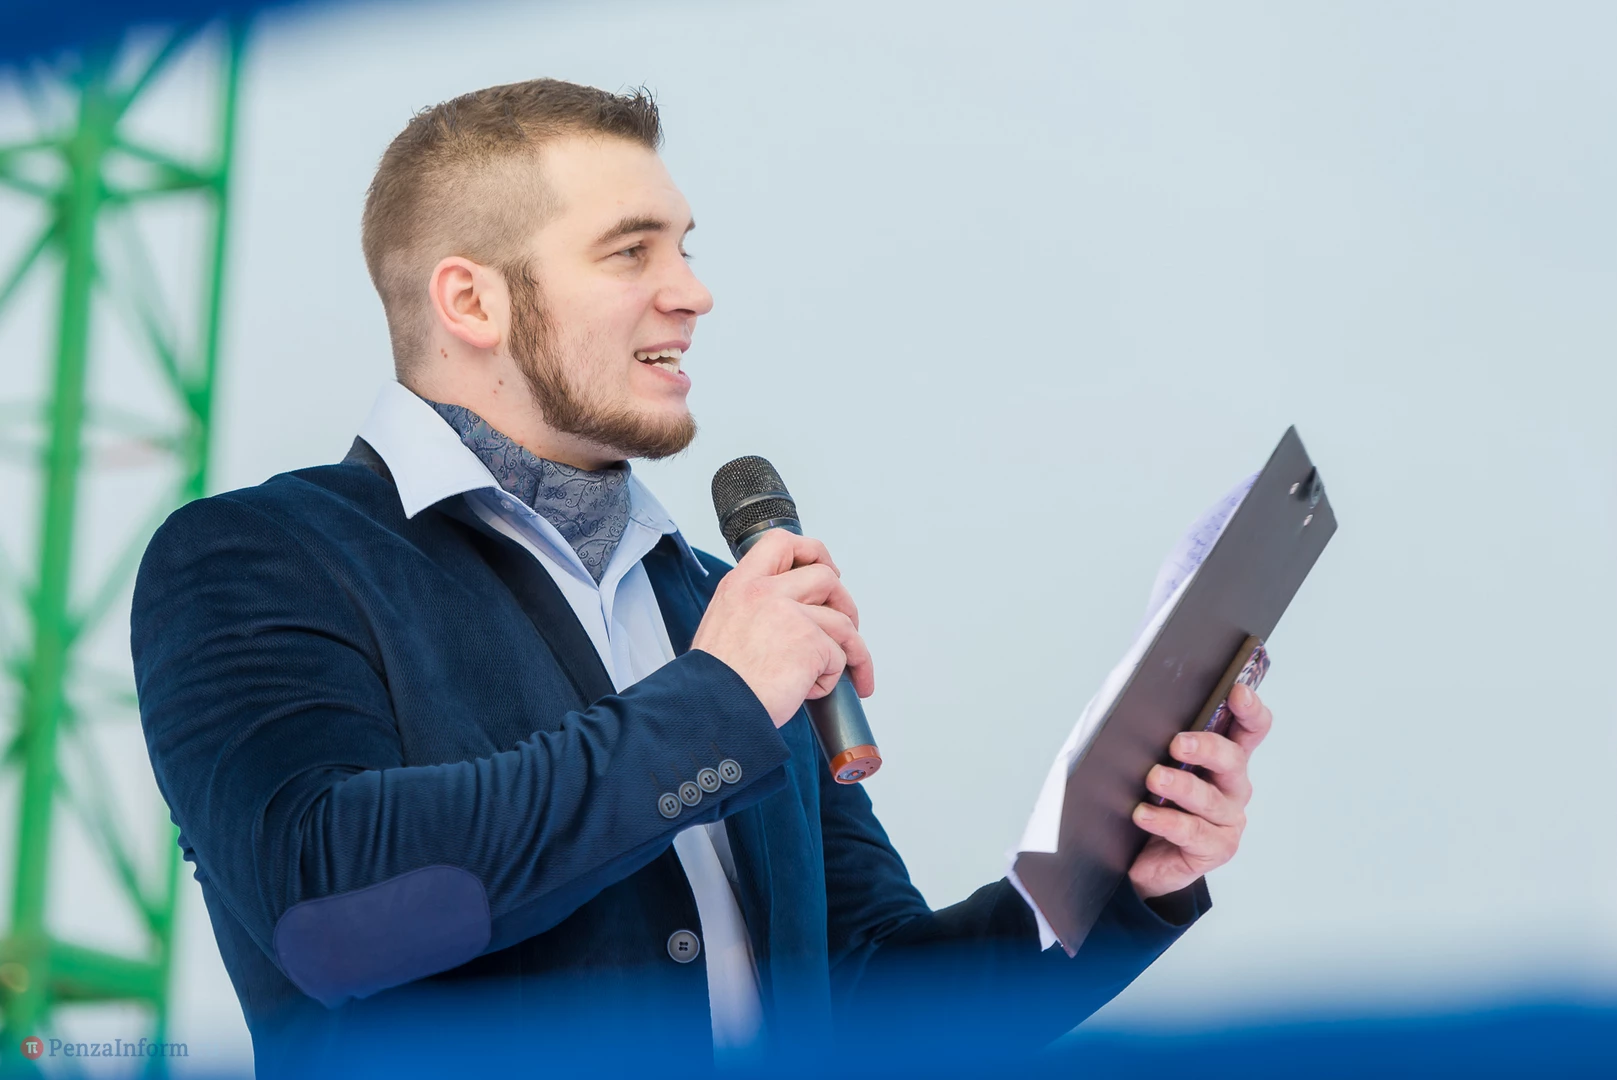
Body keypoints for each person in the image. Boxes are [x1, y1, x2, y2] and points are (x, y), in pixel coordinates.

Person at [131, 78, 1275, 1079]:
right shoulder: (258, 556)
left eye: (685, 247)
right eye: (631, 252)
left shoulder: (718, 610)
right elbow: (330, 908)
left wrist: (1120, 877)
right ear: (471, 301)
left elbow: (864, 997)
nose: (692, 292)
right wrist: (722, 701)